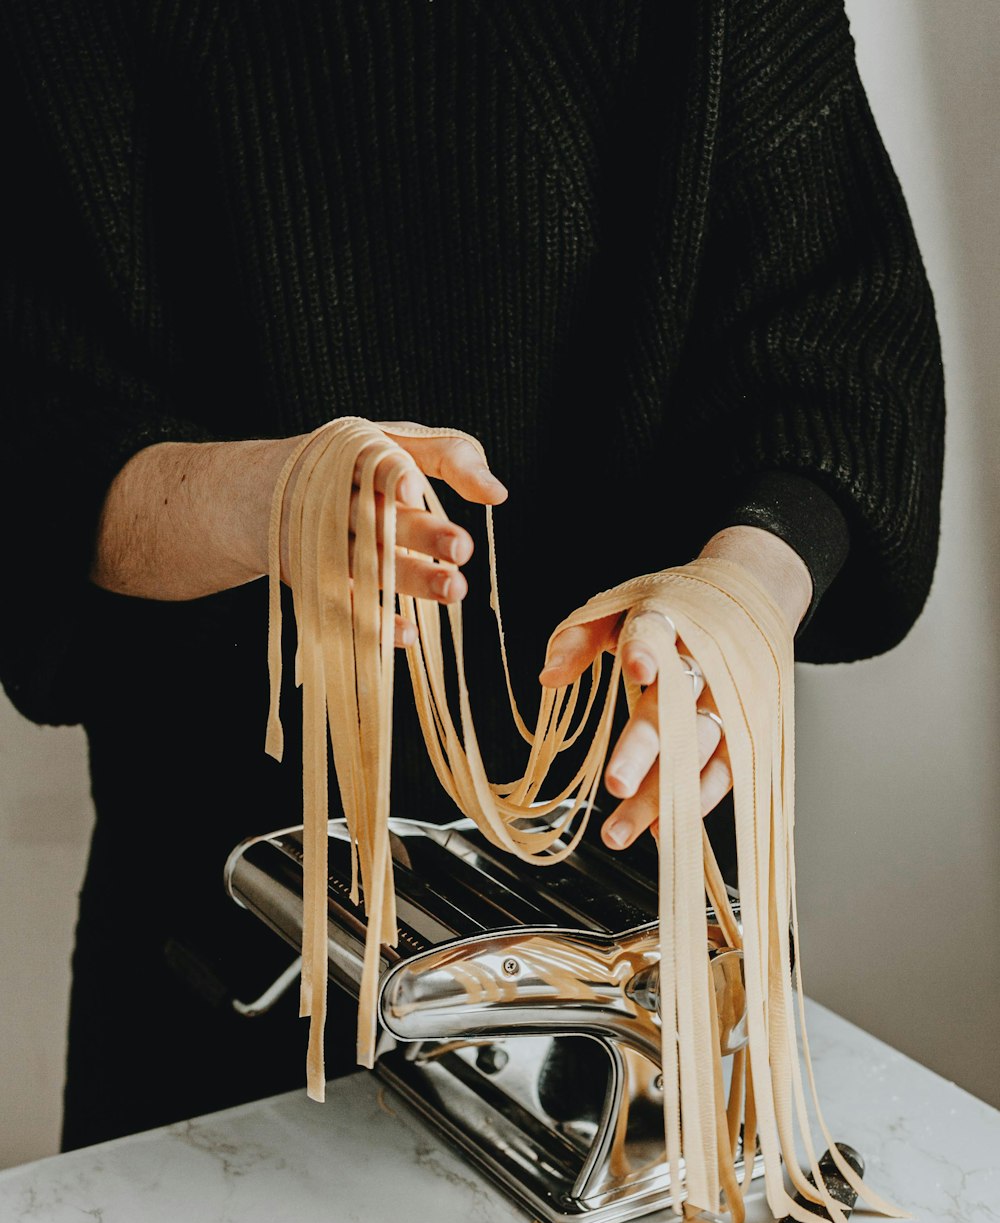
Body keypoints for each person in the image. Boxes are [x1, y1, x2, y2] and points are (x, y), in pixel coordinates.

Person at [0, 0, 944, 1151]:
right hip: (230, 958)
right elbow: (33, 448)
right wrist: (266, 500)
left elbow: (846, 362)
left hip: (647, 955)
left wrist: (743, 587)